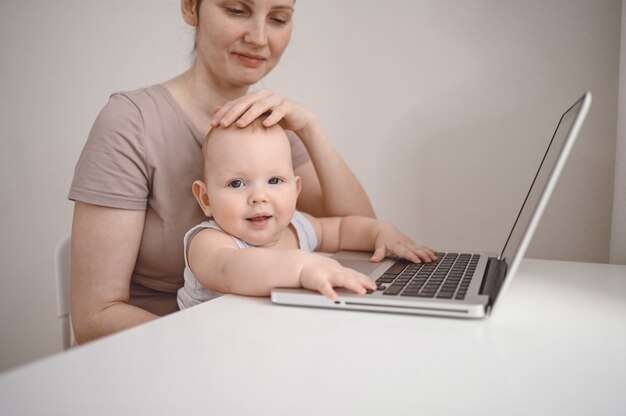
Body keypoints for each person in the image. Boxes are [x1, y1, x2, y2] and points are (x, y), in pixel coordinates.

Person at [68, 0, 376, 343]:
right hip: (173, 350)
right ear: (190, 8)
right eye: (237, 10)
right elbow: (94, 318)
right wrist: (214, 344)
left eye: (278, 18)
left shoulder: (271, 126)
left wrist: (311, 129)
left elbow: (365, 237)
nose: (259, 38)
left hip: (269, 339)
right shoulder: (132, 122)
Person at [177, 118, 437, 308]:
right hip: (215, 347)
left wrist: (380, 231)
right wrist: (303, 267)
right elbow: (231, 270)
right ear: (206, 198)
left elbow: (341, 229)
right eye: (237, 183)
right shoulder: (209, 242)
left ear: (296, 189)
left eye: (275, 181)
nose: (259, 196)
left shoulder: (298, 227)